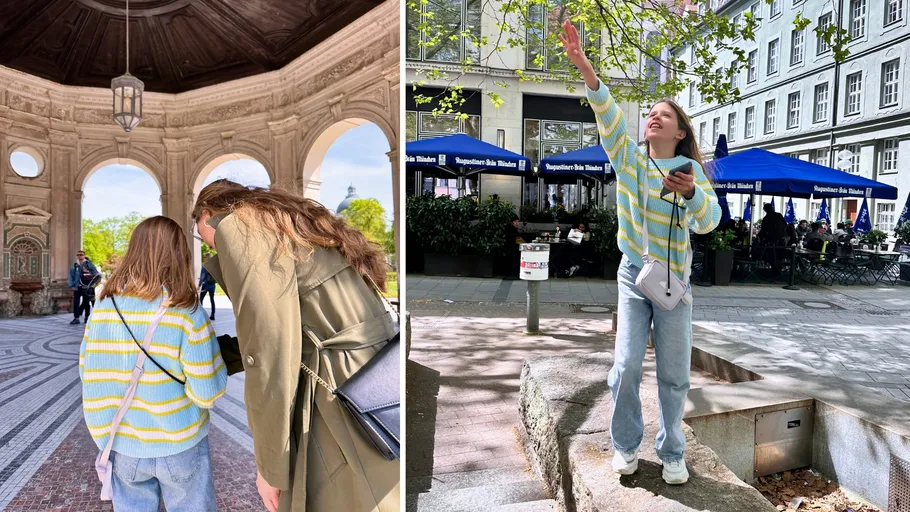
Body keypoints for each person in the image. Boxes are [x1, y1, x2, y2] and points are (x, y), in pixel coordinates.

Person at [560, 20, 720, 485]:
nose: (654, 116)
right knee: (626, 366)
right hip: (634, 275)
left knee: (674, 376)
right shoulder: (629, 158)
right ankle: (625, 444)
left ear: (679, 131)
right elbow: (607, 115)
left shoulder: (690, 169)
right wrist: (585, 68)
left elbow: (710, 223)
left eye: (664, 114)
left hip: (676, 284)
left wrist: (691, 195)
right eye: (649, 112)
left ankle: (673, 451)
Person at [192, 180, 399, 512]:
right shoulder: (285, 221)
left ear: (206, 215)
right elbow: (283, 331)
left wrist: (270, 467)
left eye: (200, 232)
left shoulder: (239, 226)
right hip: (369, 376)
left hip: (334, 389)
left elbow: (268, 345)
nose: (209, 245)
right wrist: (205, 356)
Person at [79, 216, 227, 511]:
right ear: (179, 255)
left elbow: (87, 372)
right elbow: (206, 392)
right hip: (180, 441)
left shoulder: (103, 308)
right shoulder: (186, 312)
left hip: (122, 444)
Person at [69, 250, 99, 325]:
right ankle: (76, 318)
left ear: (84, 256)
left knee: (86, 303)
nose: (80, 256)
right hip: (77, 287)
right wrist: (72, 286)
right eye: (78, 255)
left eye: (81, 255)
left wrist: (92, 284)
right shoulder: (74, 266)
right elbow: (71, 277)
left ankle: (87, 317)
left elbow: (96, 274)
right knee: (76, 303)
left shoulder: (89, 264)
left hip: (87, 287)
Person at [198, 255, 217, 320]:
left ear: (206, 258)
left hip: (205, 285)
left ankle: (200, 315)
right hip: (212, 285)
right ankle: (213, 314)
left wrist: (199, 285)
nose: (204, 258)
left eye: (204, 257)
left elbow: (202, 276)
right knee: (212, 300)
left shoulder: (205, 266)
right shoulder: (213, 266)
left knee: (201, 299)